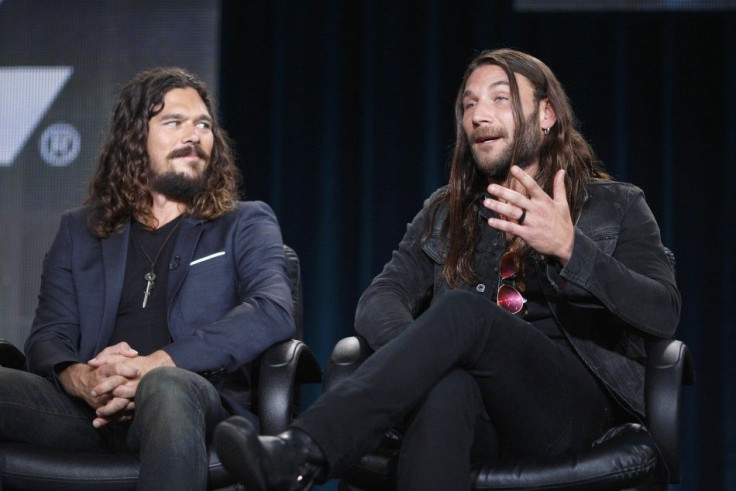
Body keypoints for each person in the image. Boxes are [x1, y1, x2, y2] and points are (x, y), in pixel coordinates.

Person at [214, 48, 680, 490]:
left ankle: (302, 451)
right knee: (447, 388)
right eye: (469, 104)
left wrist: (570, 248)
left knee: (464, 314)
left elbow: (662, 311)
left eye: (501, 98)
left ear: (546, 115)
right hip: (478, 409)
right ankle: (300, 455)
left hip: (571, 413)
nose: (479, 116)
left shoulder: (616, 205)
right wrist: (428, 360)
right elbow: (379, 300)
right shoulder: (444, 212)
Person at [0, 67, 295, 490]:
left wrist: (153, 365)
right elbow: (49, 336)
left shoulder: (244, 223)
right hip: (91, 410)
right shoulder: (78, 231)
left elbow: (271, 311)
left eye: (204, 125)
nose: (194, 135)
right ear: (134, 139)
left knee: (165, 386)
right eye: (174, 123)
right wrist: (84, 379)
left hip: (191, 402)